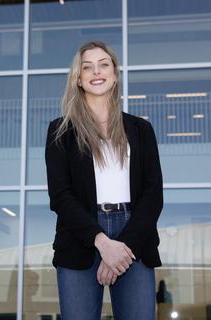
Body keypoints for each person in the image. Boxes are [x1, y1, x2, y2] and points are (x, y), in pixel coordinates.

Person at [45, 41, 163, 320]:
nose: (96, 72)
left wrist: (123, 249)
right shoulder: (61, 131)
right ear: (79, 79)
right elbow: (60, 196)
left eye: (103, 65)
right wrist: (102, 242)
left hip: (134, 237)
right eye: (87, 67)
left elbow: (153, 194)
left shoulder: (141, 129)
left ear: (115, 74)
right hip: (80, 237)